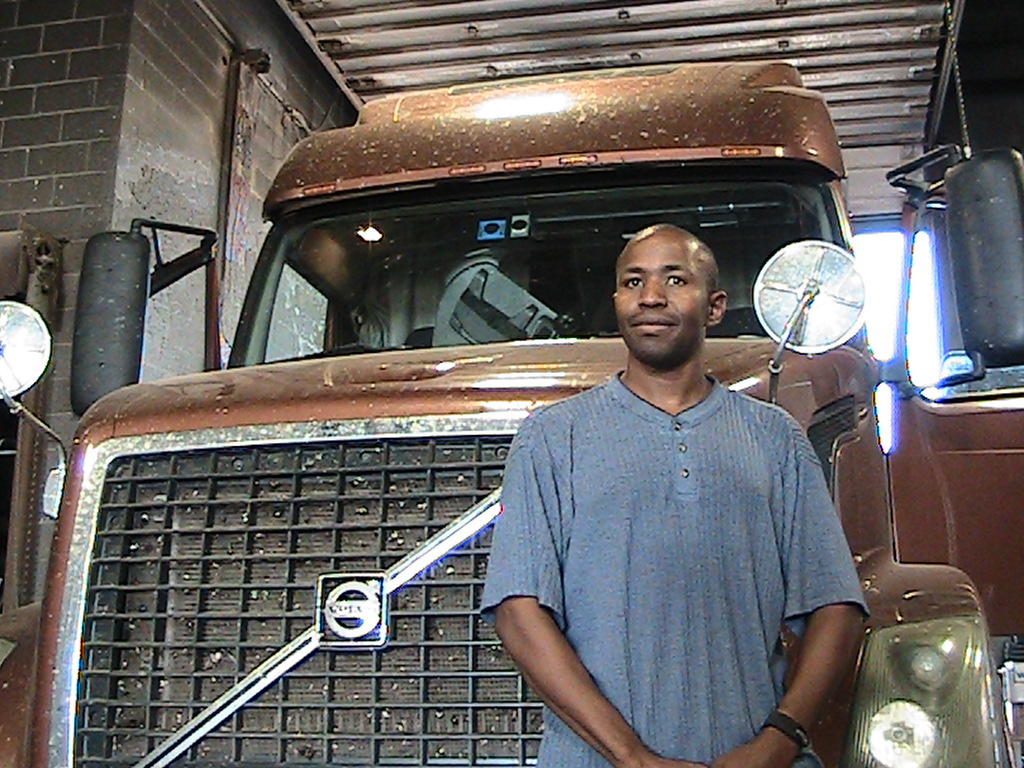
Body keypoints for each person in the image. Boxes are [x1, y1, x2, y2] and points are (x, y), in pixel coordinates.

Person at [479, 224, 867, 768]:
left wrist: (779, 741)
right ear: (616, 302)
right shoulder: (551, 437)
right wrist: (633, 757)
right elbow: (519, 613)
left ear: (714, 307)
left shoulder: (775, 438)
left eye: (674, 279)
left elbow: (836, 607)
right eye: (633, 281)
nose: (651, 296)